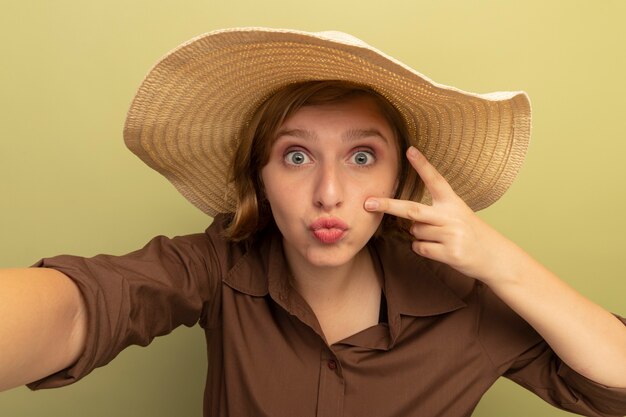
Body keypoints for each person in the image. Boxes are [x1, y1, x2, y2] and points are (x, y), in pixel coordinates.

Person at [1, 27, 625, 417]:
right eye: (296, 156)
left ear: (397, 180)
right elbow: (83, 307)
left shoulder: (465, 305)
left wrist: (502, 262)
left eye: (362, 157)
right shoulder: (219, 266)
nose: (329, 192)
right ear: (261, 181)